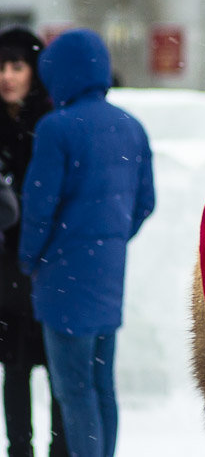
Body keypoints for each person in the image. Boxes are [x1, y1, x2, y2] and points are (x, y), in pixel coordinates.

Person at [19, 29, 155, 457]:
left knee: (73, 390)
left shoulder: (55, 128)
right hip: (107, 274)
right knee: (100, 386)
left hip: (63, 277)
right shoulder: (131, 127)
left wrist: (30, 259)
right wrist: (112, 237)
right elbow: (145, 202)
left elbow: (39, 206)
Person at [0, 27, 67, 457]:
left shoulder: (51, 119)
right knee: (14, 364)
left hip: (49, 260)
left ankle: (59, 447)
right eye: (1, 67)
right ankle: (19, 447)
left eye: (16, 66)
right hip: (5, 263)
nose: (7, 76)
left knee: (59, 363)